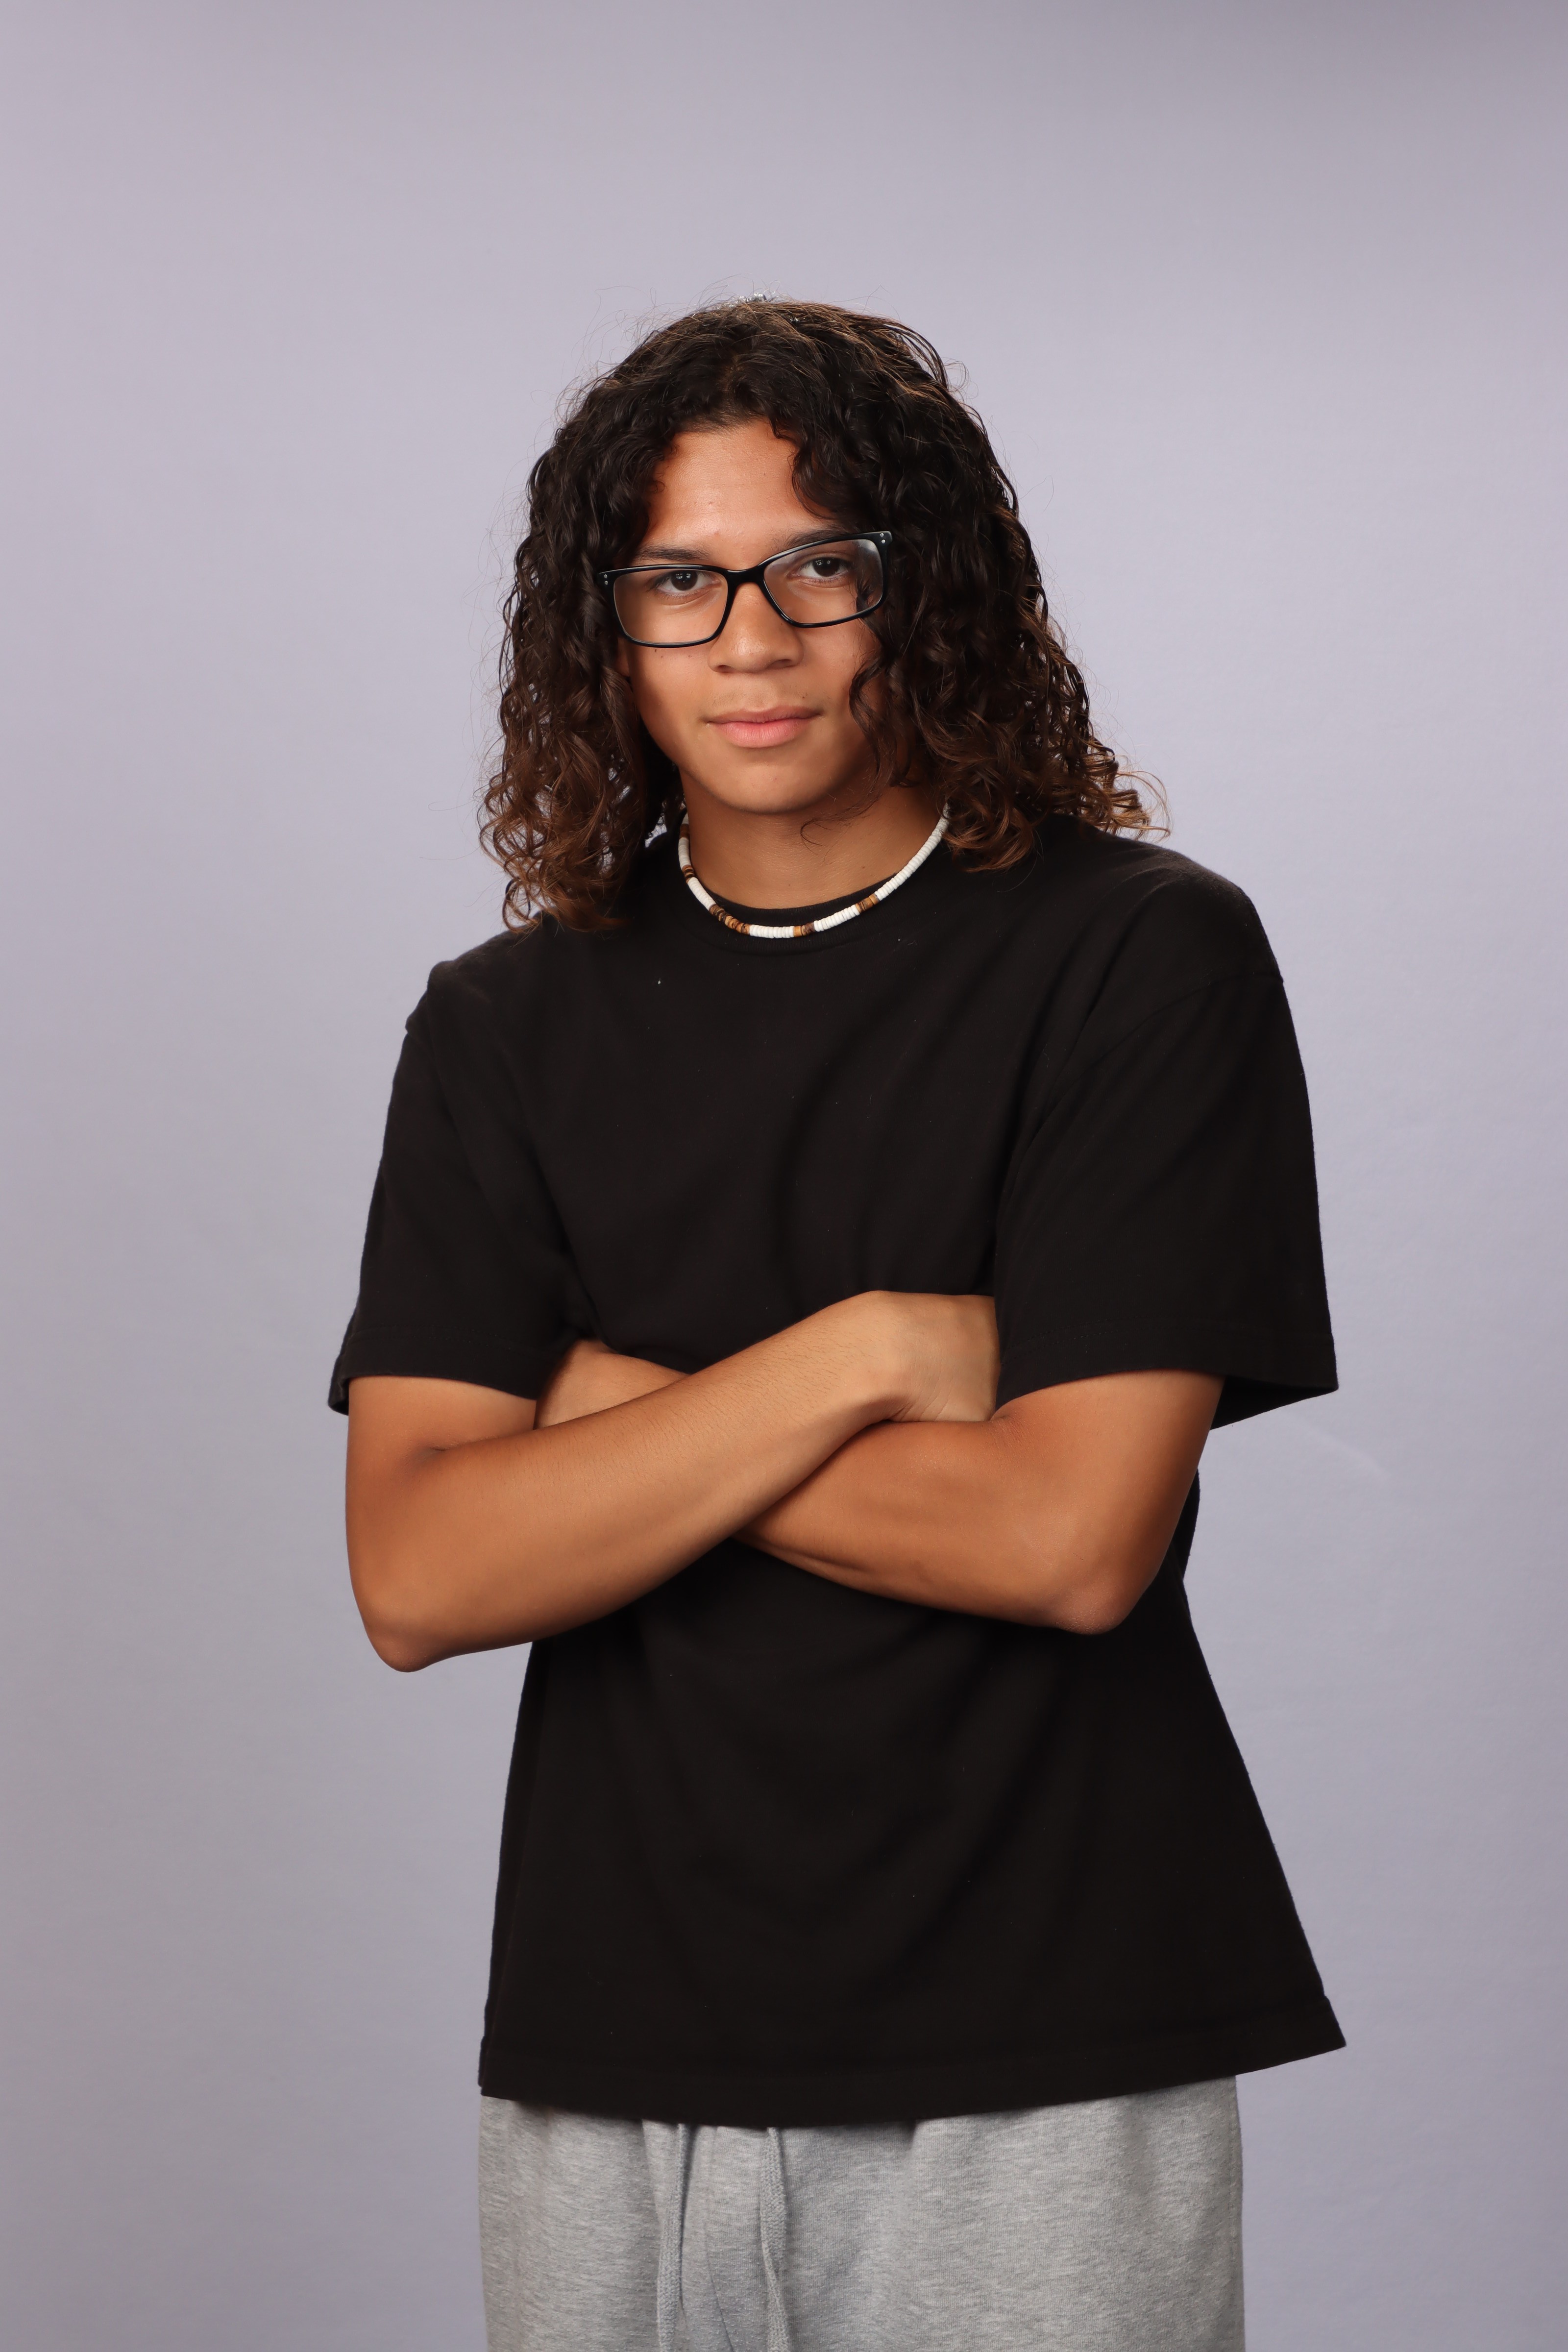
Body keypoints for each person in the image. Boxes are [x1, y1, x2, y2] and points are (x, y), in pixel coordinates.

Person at [331, 298, 1342, 2352]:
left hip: (1049, 2031)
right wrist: (866, 1352)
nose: (751, 640)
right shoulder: (503, 1027)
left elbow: (1066, 1540)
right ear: (609, 629)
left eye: (818, 567)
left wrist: (608, 1424)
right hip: (618, 2036)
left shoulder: (1140, 961)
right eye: (679, 581)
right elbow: (419, 1572)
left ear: (922, 590)